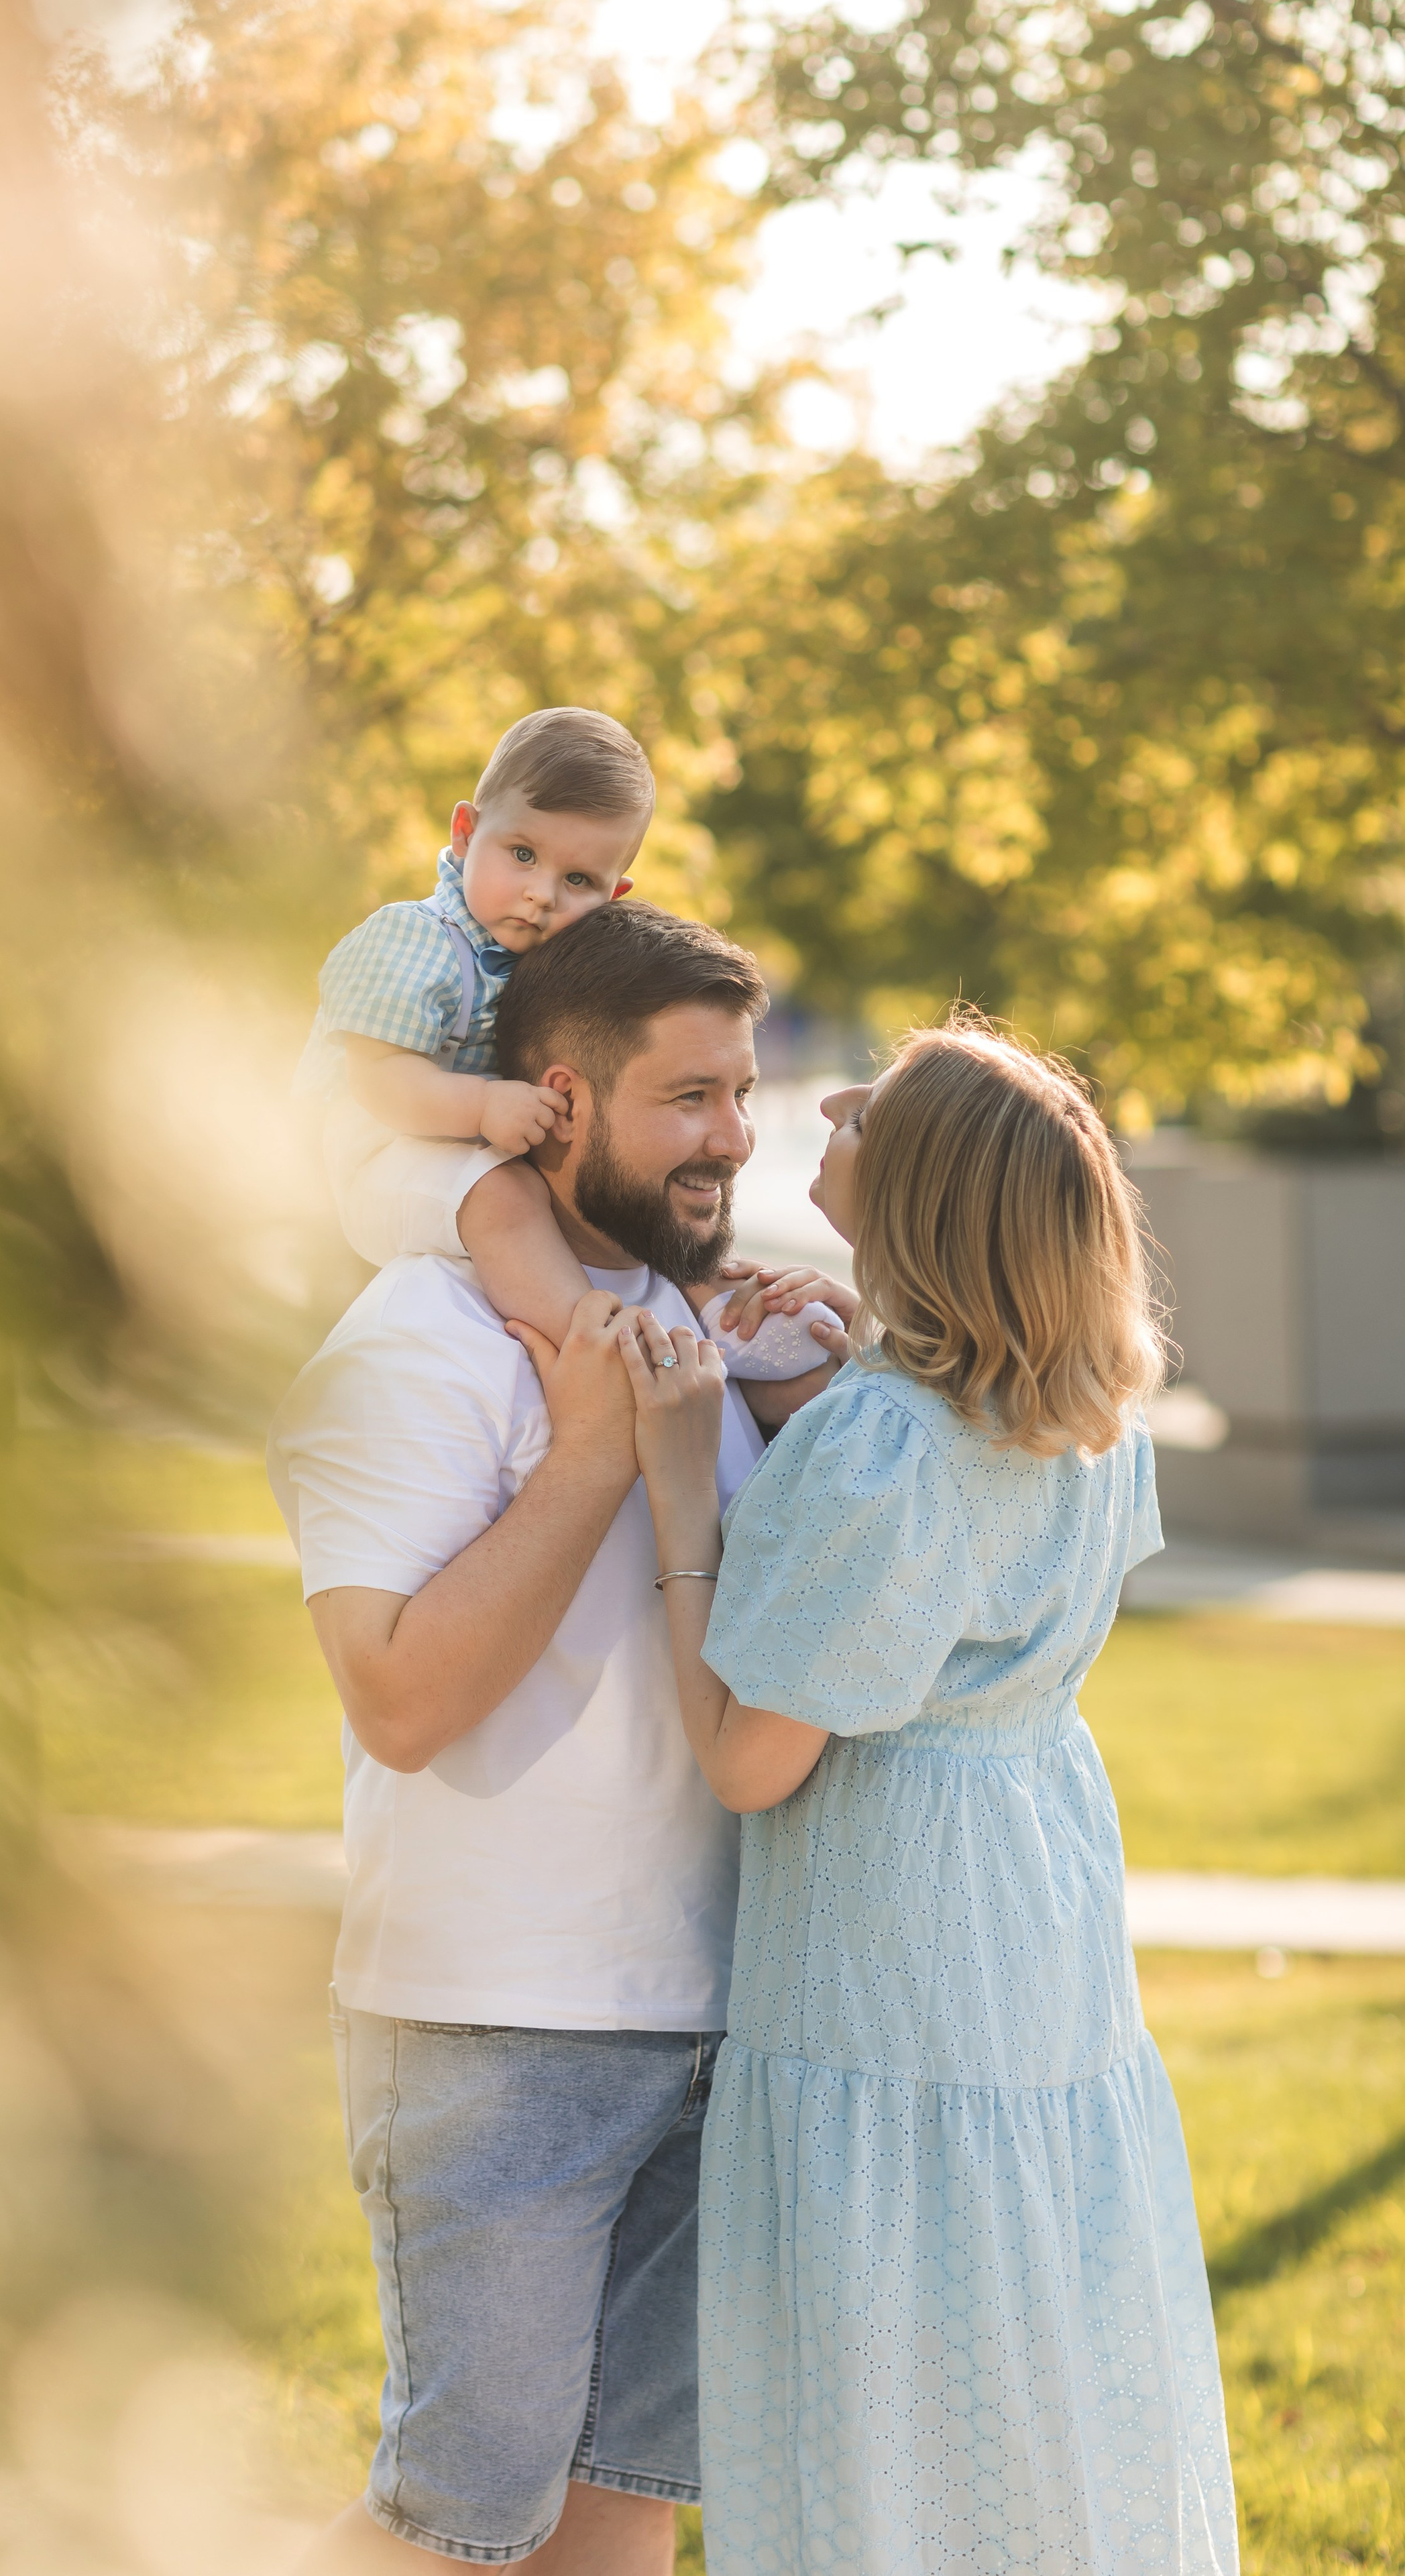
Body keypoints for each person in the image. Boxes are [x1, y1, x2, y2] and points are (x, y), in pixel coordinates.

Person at [268, 901, 851, 2573]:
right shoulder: (411, 1345)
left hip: (723, 2010)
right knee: (459, 2520)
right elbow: (397, 1697)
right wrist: (588, 1449)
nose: (735, 1139)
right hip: (494, 2022)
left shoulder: (716, 1339)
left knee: (623, 2508)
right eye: (689, 1098)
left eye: (742, 1092)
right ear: (558, 1101)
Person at [616, 1017, 1239, 2576]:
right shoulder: (1074, 1416)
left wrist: (683, 1481)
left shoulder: (887, 1447)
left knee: (882, 2385)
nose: (823, 1104)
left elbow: (747, 1753)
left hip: (891, 1956)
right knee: (1023, 2332)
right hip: (1031, 1930)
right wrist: (844, 1379)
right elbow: (951, 1567)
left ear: (920, 1194)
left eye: (866, 1103)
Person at [294, 703, 835, 1378]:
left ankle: (717, 1308)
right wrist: (486, 1109)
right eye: (521, 854)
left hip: (459, 1146)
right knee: (503, 1196)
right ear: (465, 833)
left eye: (577, 880)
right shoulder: (415, 940)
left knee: (606, 1194)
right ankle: (599, 1352)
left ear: (615, 892)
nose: (540, 895)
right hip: (367, 1152)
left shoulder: (536, 956)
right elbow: (375, 1082)